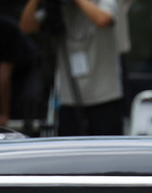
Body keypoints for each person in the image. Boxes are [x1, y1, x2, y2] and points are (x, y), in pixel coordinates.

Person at [20, 0, 123, 136]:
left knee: (106, 151)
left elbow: (103, 19)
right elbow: (26, 27)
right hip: (69, 99)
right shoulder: (58, 9)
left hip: (104, 97)